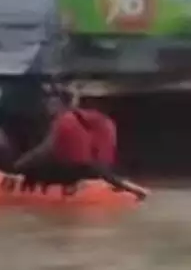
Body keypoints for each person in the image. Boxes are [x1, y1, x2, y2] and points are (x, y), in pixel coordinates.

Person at [9, 85, 145, 198]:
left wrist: (15, 168)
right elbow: (97, 164)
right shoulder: (104, 123)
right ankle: (127, 186)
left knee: (30, 168)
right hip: (95, 173)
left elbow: (44, 152)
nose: (46, 105)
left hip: (73, 172)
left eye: (50, 101)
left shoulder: (66, 120)